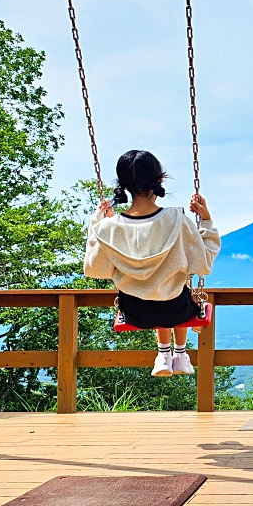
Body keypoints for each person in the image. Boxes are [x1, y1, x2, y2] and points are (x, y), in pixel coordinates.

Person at [84, 150, 221, 377]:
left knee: (158, 294)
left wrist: (98, 223)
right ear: (159, 181)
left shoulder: (108, 228)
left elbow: (95, 269)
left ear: (124, 186)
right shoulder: (177, 221)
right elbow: (203, 264)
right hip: (176, 309)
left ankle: (164, 353)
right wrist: (205, 221)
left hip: (134, 311)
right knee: (177, 290)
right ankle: (179, 353)